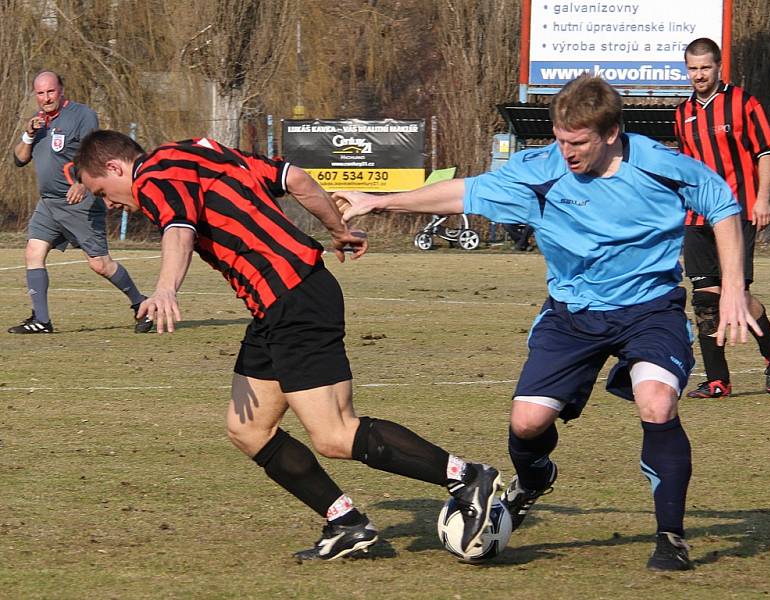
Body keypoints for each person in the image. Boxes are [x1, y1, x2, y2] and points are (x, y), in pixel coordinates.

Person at [334, 74, 760, 571]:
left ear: (611, 134)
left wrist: (733, 287)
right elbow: (464, 193)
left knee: (657, 402)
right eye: (560, 141)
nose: (567, 153)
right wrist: (379, 200)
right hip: (571, 314)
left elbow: (724, 207)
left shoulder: (663, 167)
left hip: (650, 309)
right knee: (527, 423)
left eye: (577, 143)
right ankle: (534, 479)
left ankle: (671, 536)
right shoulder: (539, 170)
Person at [73, 130, 502, 561]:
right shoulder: (201, 151)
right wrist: (339, 230)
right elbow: (295, 179)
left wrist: (165, 290)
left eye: (102, 192)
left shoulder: (154, 177)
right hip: (275, 304)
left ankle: (467, 477)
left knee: (334, 434)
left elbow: (179, 230)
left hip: (294, 297)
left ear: (115, 167)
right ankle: (347, 524)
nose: (108, 204)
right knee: (249, 430)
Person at [676, 37, 770, 398]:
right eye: (693, 69)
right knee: (706, 297)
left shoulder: (743, 103)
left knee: (735, 293)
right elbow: (685, 166)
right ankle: (718, 380)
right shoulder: (682, 113)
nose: (699, 75)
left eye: (705, 67)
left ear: (719, 67)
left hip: (739, 210)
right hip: (697, 216)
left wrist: (763, 198)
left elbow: (766, 151)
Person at [8, 71, 151, 334]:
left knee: (100, 264)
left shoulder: (82, 115)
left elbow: (96, 153)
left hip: (79, 204)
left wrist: (83, 183)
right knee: (33, 252)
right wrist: (28, 135)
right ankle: (41, 320)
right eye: (40, 93)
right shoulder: (38, 123)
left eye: (50, 91)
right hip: (49, 203)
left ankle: (143, 306)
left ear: (61, 90)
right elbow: (18, 159)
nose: (46, 98)